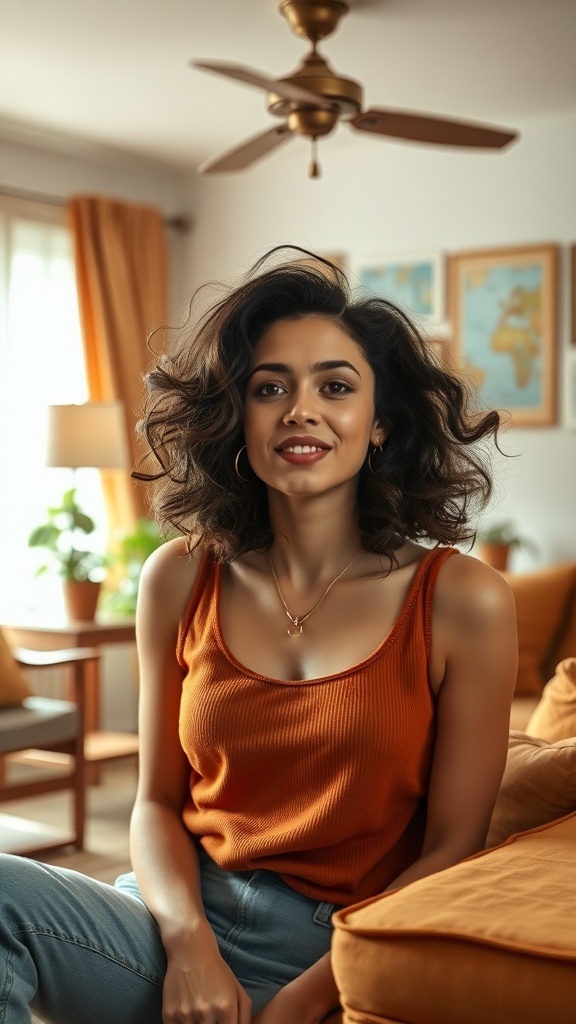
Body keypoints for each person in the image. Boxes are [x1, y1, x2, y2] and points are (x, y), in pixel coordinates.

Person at [0, 247, 517, 1024]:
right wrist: (189, 951)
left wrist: (303, 1002)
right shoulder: (180, 575)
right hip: (167, 920)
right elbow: (154, 803)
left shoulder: (461, 599)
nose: (299, 410)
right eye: (268, 387)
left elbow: (450, 850)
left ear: (379, 424)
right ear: (236, 416)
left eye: (334, 387)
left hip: (330, 946)